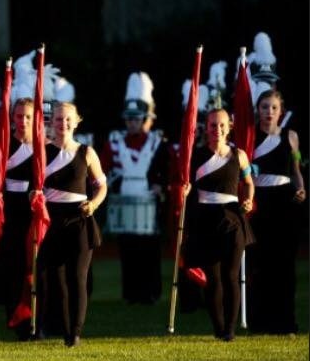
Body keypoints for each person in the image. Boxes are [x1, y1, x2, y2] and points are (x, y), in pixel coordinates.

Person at [182, 108, 254, 341]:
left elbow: (249, 182)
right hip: (205, 219)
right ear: (206, 127)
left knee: (231, 275)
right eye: (213, 125)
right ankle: (218, 328)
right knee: (212, 279)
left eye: (222, 125)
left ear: (229, 127)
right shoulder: (196, 155)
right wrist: (185, 190)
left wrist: (249, 199)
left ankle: (230, 330)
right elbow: (187, 184)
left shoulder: (239, 155)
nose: (218, 129)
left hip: (232, 218)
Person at [39, 102, 106, 346]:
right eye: (58, 119)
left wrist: (94, 204)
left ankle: (74, 333)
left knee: (77, 277)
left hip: (79, 219)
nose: (63, 124)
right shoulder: (43, 151)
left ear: (77, 121)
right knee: (53, 278)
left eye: (68, 119)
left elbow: (101, 185)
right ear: (51, 122)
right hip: (51, 220)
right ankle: (58, 326)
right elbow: (34, 186)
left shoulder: (87, 152)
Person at [100, 71, 169, 304]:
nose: (131, 122)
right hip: (124, 202)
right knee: (127, 250)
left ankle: (152, 293)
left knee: (150, 251)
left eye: (136, 118)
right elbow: (102, 168)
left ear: (147, 118)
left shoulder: (158, 142)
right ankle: (131, 294)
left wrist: (161, 186)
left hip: (149, 202)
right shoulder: (115, 141)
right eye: (129, 118)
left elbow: (167, 169)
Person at [247, 89, 305, 334]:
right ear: (257, 110)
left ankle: (285, 322)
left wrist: (301, 188)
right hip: (259, 202)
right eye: (264, 107)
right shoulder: (249, 137)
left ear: (281, 111)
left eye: (273, 107)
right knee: (259, 263)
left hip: (284, 204)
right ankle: (259, 322)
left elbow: (296, 168)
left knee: (284, 264)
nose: (268, 112)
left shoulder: (291, 136)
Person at [0, 70, 35, 340]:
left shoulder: (44, 148)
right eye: (18, 116)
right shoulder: (2, 145)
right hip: (10, 213)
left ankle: (37, 319)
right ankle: (17, 320)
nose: (23, 121)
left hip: (35, 213)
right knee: (13, 268)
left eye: (28, 116)